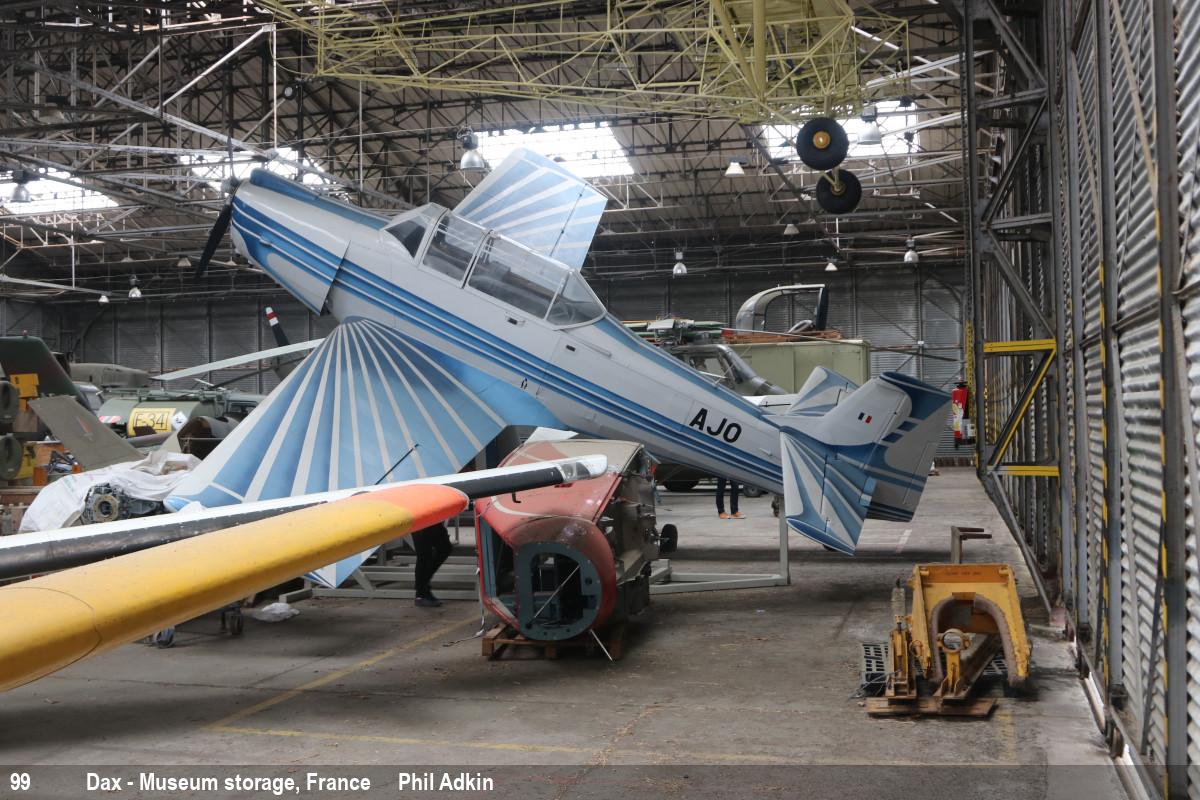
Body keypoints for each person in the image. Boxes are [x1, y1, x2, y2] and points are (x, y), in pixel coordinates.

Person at [411, 521, 452, 607]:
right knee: (424, 555)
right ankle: (420, 595)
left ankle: (422, 584)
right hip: (419, 519)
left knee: (445, 548)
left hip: (432, 519)